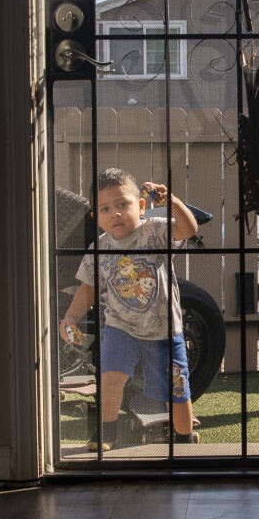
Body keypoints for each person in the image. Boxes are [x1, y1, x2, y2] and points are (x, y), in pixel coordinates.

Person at [60, 168, 200, 450]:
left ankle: (184, 435)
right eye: (105, 209)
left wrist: (171, 202)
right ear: (96, 218)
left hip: (163, 330)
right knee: (110, 380)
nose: (116, 214)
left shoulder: (155, 231)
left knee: (176, 388)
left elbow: (188, 229)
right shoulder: (99, 248)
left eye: (123, 204)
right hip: (119, 327)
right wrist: (71, 317)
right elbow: (88, 288)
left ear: (141, 205)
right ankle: (106, 433)